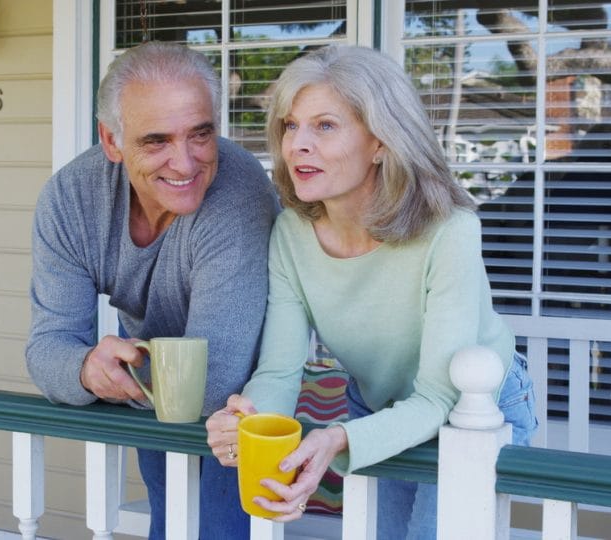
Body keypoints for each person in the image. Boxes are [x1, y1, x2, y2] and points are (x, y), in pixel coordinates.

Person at [205, 45, 538, 539]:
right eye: (290, 126)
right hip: (377, 409)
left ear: (380, 141)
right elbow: (279, 370)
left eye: (325, 126)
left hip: (474, 414)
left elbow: (437, 396)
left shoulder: (450, 231)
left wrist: (336, 438)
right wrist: (249, 425)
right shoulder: (292, 232)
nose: (297, 144)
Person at [26, 41, 279, 539]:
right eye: (156, 140)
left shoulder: (239, 192)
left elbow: (213, 380)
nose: (184, 164)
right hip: (150, 351)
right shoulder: (71, 199)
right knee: (168, 518)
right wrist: (84, 368)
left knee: (220, 529)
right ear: (112, 140)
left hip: (247, 385)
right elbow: (46, 347)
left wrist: (108, 376)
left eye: (200, 134)